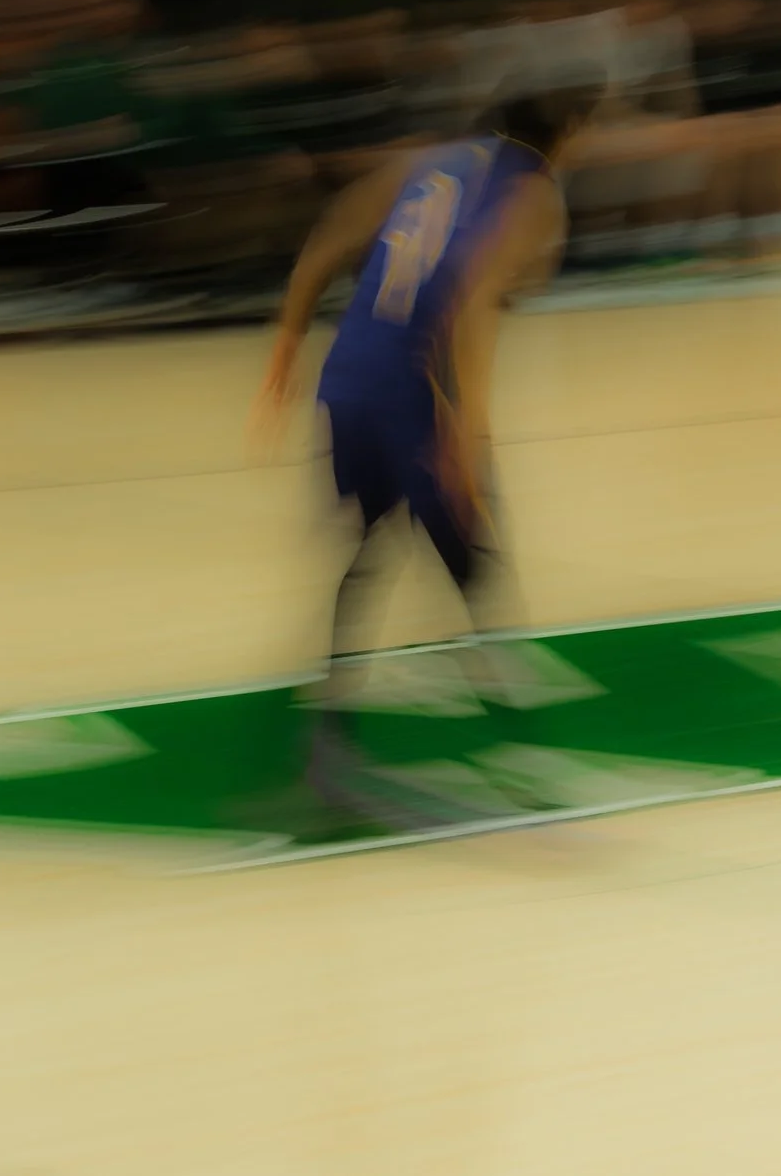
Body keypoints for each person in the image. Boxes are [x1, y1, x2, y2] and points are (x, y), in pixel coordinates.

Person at [252, 72, 600, 828]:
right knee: (474, 565)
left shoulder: (428, 161)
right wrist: (464, 437)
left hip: (348, 376)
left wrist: (285, 344)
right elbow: (473, 304)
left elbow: (327, 239)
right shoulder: (534, 192)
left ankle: (329, 740)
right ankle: (521, 748)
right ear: (564, 132)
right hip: (416, 393)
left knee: (366, 552)